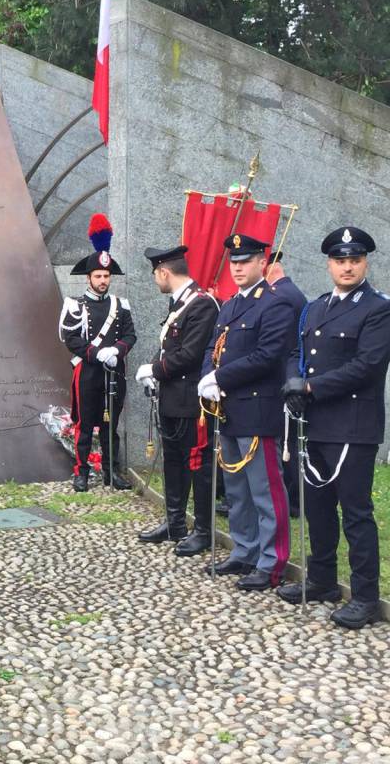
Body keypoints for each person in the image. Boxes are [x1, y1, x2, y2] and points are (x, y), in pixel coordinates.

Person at [279, 227, 390, 629]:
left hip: (354, 426)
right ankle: (323, 580)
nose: (347, 266)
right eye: (340, 260)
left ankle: (364, 598)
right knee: (319, 510)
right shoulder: (316, 307)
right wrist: (293, 380)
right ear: (329, 264)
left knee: (356, 513)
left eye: (355, 260)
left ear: (365, 263)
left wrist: (309, 386)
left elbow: (368, 366)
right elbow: (296, 351)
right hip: (316, 424)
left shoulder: (377, 308)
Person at [199, 234, 295, 590]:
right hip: (229, 410)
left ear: (261, 263)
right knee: (237, 490)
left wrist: (220, 376)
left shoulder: (275, 303)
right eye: (233, 262)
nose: (238, 268)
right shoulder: (229, 305)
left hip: (258, 409)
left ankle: (272, 562)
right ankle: (245, 549)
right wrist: (208, 374)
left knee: (265, 491)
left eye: (245, 261)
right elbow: (214, 345)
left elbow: (269, 355)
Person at [134, 245, 219, 554]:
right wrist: (155, 372)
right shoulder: (180, 303)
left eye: (156, 275)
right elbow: (170, 346)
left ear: (164, 272)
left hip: (192, 402)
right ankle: (175, 522)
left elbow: (189, 354)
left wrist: (155, 368)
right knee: (173, 461)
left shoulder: (202, 304)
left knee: (198, 465)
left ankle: (203, 530)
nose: (156, 280)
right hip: (172, 397)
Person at [59, 214, 136, 492]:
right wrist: (95, 353)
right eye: (98, 276)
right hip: (88, 372)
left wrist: (116, 350)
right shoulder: (75, 304)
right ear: (89, 277)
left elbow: (130, 334)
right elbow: (70, 338)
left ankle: (110, 471)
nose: (103, 280)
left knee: (110, 424)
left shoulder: (120, 304)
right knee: (84, 423)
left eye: (106, 276)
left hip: (114, 371)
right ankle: (81, 472)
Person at [264, 248, 308, 518]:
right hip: (285, 376)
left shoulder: (281, 296)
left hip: (283, 378)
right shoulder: (287, 292)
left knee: (288, 444)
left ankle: (293, 501)